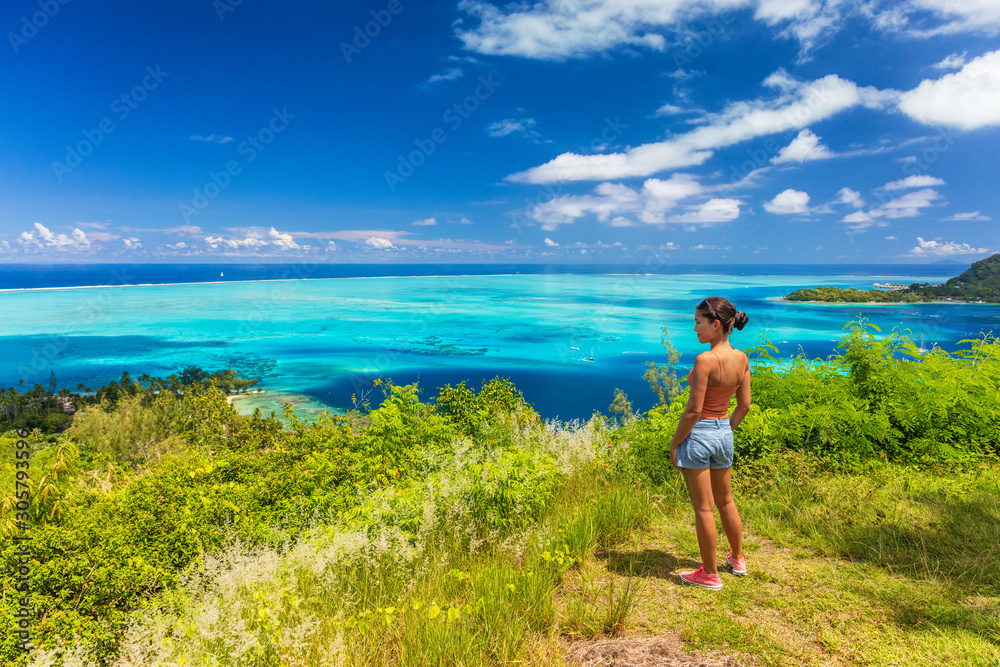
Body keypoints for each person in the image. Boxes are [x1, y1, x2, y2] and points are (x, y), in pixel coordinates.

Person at [669, 296, 751, 590]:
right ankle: (738, 559)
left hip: (701, 432)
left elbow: (693, 411)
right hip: (723, 433)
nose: (694, 328)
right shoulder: (742, 359)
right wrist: (723, 430)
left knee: (703, 508)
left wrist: (675, 444)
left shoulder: (705, 361)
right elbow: (744, 406)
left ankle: (710, 573)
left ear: (716, 325)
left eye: (698, 322)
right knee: (726, 500)